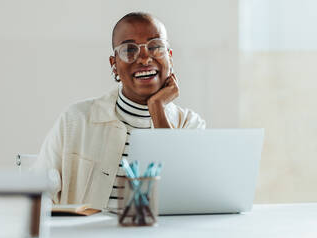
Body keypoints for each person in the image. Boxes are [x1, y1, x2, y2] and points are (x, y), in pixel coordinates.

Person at [34, 12, 206, 211]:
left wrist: (157, 108)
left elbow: (184, 195)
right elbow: (37, 195)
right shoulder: (75, 120)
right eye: (129, 50)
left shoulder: (190, 125)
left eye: (155, 47)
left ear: (170, 57)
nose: (144, 58)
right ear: (114, 65)